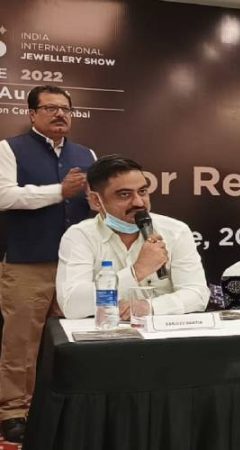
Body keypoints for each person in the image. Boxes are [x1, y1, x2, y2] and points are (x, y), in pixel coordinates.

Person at [0, 85, 95, 442]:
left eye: (66, 109)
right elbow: (4, 196)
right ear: (32, 114)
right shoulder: (9, 148)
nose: (60, 114)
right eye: (51, 108)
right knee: (21, 341)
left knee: (73, 337)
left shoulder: (86, 153)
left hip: (78, 265)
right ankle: (13, 411)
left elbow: (92, 202)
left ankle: (65, 403)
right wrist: (59, 191)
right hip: (28, 261)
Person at [56, 155, 210, 318]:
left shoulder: (175, 231)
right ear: (96, 201)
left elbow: (197, 294)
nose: (139, 202)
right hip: (105, 330)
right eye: (124, 194)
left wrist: (149, 307)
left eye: (142, 191)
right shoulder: (80, 236)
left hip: (162, 329)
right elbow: (72, 306)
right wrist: (137, 271)